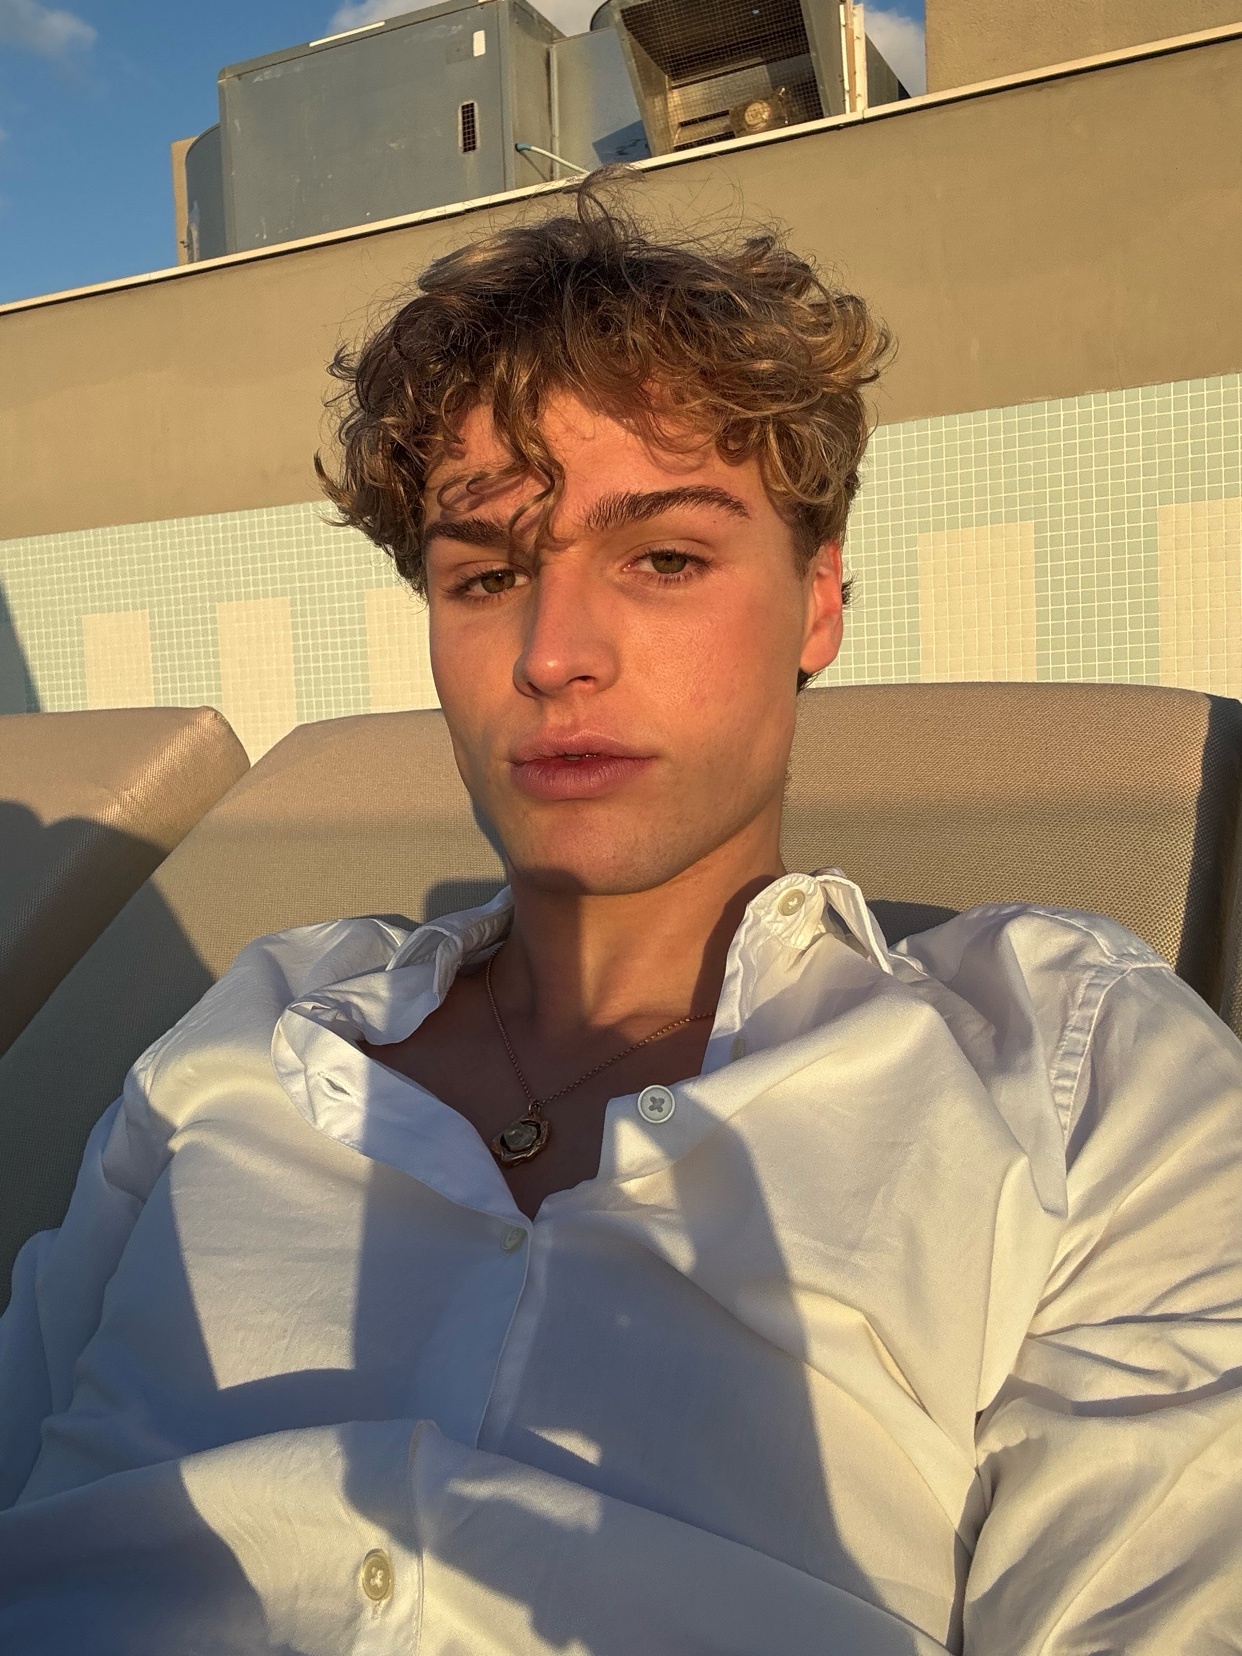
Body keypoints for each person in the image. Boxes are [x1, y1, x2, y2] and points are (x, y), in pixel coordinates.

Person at [1, 177, 1240, 1654]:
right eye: (485, 575)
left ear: (819, 602)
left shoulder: (1060, 1063)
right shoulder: (253, 1029)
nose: (553, 655)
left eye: (663, 557)